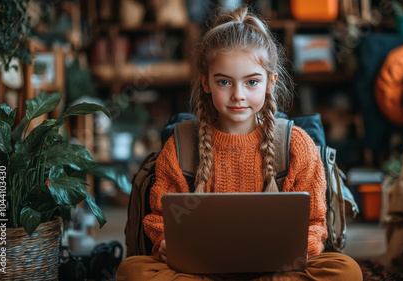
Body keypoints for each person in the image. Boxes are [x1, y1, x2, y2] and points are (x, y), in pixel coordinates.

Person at [116, 5, 362, 281]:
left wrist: (295, 250)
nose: (238, 95)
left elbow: (316, 223)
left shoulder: (296, 144)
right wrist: (165, 242)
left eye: (252, 82)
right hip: (200, 270)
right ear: (206, 82)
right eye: (224, 82)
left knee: (345, 271)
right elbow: (159, 218)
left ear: (270, 81)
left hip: (275, 270)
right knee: (132, 271)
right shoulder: (181, 146)